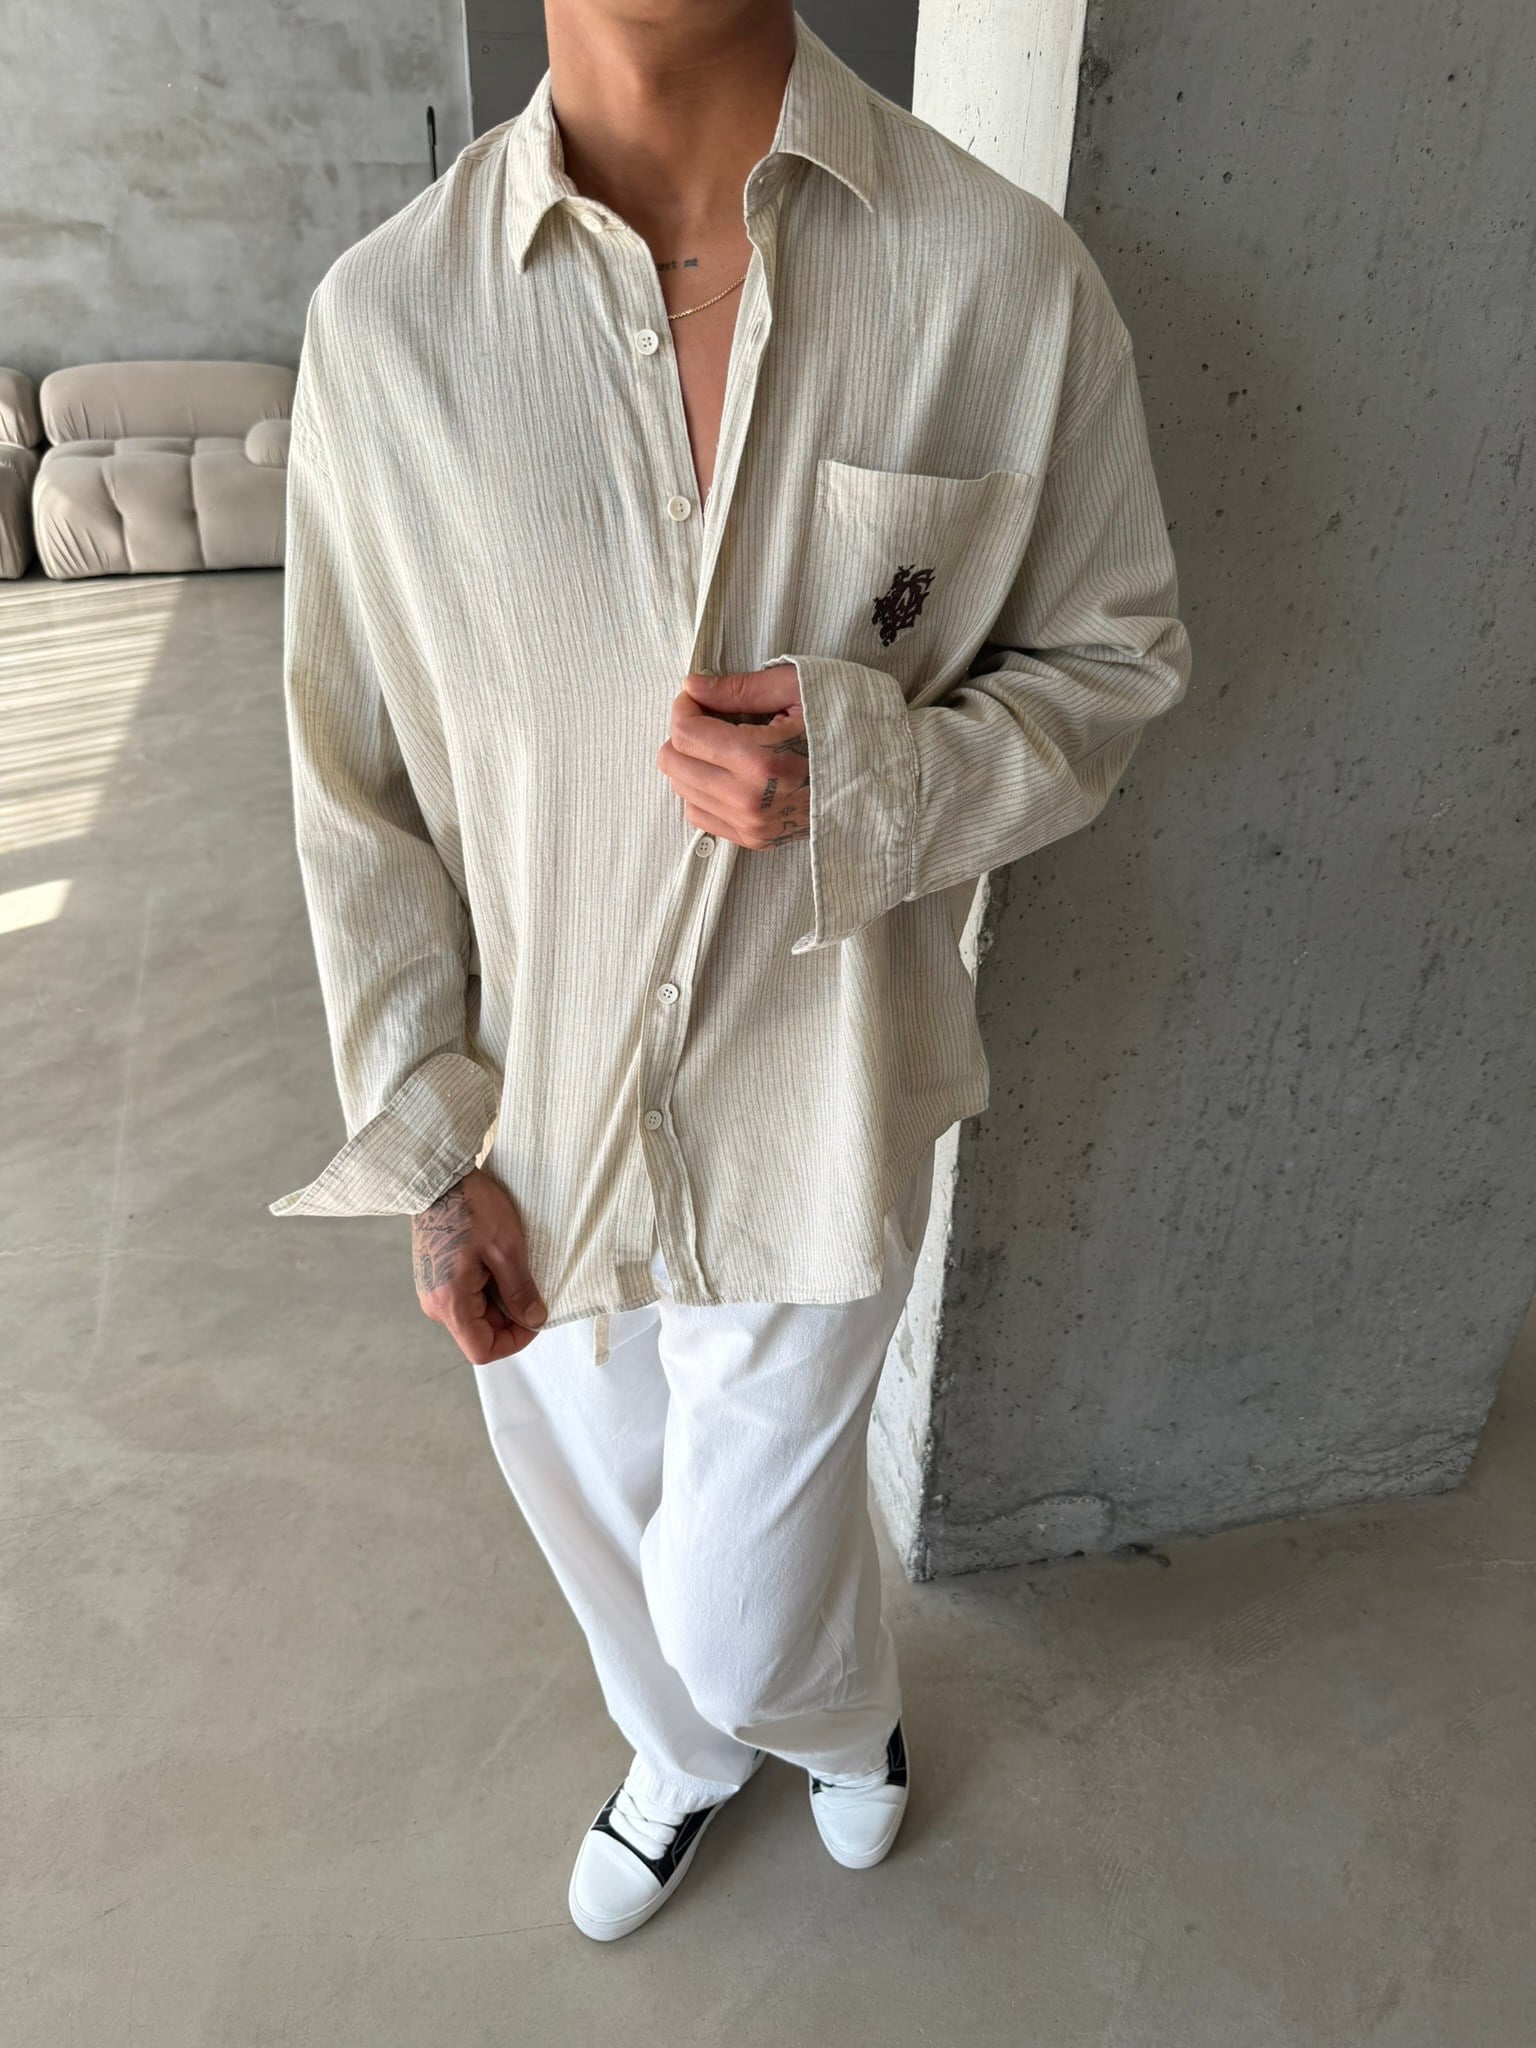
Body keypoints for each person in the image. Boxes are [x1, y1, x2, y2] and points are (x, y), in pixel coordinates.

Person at [269, 1, 1190, 1942]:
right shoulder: (388, 326)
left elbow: (1115, 664)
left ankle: (820, 1707)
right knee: (609, 1537)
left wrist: (876, 770)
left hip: (820, 1094)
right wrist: (428, 1141)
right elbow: (356, 789)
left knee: (733, 1601)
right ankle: (688, 1753)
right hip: (538, 1119)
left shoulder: (1000, 278)